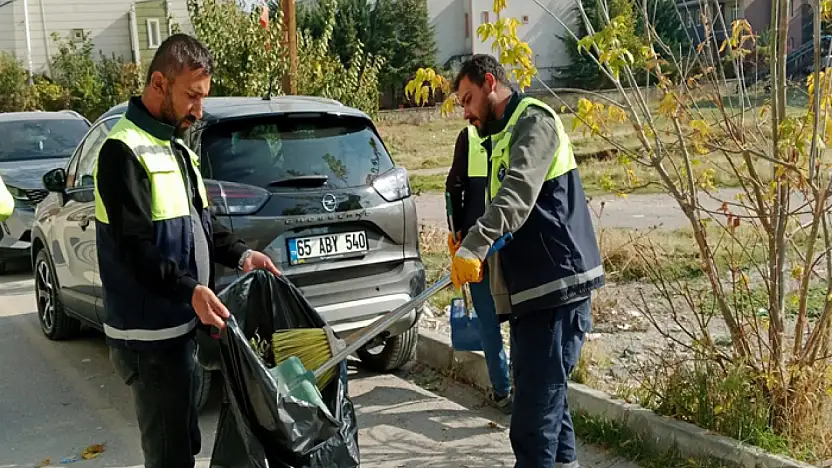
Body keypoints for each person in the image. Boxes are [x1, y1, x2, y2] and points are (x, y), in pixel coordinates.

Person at [93, 34, 280, 468]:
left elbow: (201, 225)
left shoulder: (174, 146)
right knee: (169, 455)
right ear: (159, 83)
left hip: (181, 329)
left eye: (203, 97)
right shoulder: (121, 151)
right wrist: (191, 289)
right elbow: (135, 250)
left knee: (184, 445)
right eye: (192, 96)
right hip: (150, 339)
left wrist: (242, 256)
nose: (199, 109)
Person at [448, 54, 604, 468]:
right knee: (550, 406)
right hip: (532, 291)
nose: (465, 112)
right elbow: (498, 207)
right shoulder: (497, 134)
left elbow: (517, 194)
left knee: (533, 423)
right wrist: (467, 240)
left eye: (467, 99)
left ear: (489, 82)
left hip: (557, 285)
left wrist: (475, 245)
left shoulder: (534, 121)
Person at [446, 124, 513, 414]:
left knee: (488, 321)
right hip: (512, 241)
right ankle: (526, 389)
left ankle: (503, 392)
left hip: (478, 246)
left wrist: (458, 234)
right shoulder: (515, 130)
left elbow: (453, 188)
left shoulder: (469, 136)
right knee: (521, 317)